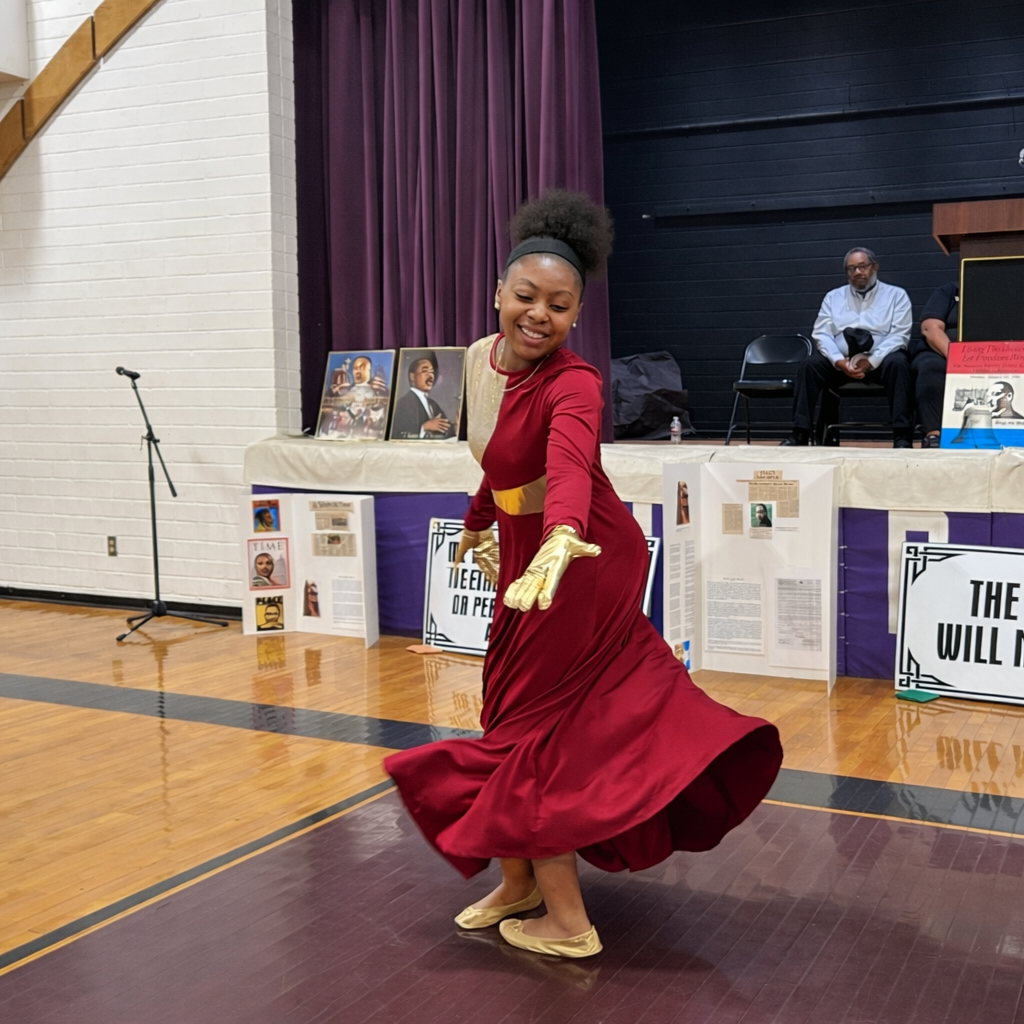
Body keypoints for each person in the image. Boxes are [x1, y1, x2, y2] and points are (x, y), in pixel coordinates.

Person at [384, 189, 782, 960]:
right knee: (505, 709)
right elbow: (501, 459)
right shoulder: (478, 357)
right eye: (526, 297)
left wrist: (560, 536)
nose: (539, 315)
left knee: (537, 729)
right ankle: (519, 882)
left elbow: (567, 465)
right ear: (499, 293)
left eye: (559, 306)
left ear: (575, 316)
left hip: (584, 557)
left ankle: (567, 919)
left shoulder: (575, 383)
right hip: (531, 553)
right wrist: (478, 521)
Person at [782, 248, 913, 448]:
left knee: (899, 363)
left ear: (875, 267)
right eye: (851, 269)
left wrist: (871, 361)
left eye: (862, 266)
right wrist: (838, 361)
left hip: (879, 361)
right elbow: (821, 333)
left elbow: (899, 335)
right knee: (810, 366)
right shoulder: (833, 297)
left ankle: (902, 435)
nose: (857, 272)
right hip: (842, 362)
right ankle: (800, 433)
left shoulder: (897, 295)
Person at [913, 280, 958, 448]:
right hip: (944, 351)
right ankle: (933, 435)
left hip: (998, 353)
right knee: (930, 367)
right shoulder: (950, 291)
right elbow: (930, 328)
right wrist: (957, 360)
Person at [390, 352, 454, 439]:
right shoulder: (403, 404)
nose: (430, 375)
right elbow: (396, 434)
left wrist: (456, 427)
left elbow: (445, 427)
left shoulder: (433, 404)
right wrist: (424, 427)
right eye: (425, 371)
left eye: (432, 372)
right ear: (412, 376)